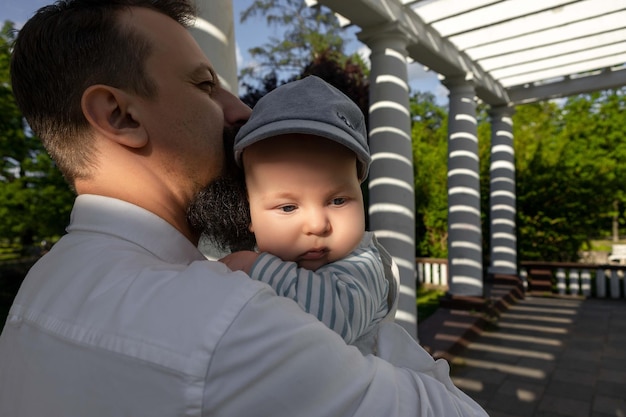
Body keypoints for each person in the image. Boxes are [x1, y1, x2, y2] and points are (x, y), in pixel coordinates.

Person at [0, 1, 488, 416]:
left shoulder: (37, 295)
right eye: (205, 85)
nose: (242, 112)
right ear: (120, 116)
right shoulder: (226, 320)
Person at [217, 76, 397, 353]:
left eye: (337, 201)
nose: (317, 225)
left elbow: (333, 321)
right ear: (249, 213)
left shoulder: (361, 264)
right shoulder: (277, 259)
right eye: (288, 207)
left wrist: (251, 267)